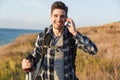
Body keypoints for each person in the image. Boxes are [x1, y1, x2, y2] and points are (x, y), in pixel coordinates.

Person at [22, 1, 98, 80]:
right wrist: (28, 64)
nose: (58, 19)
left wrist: (75, 33)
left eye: (62, 16)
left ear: (66, 19)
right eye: (55, 15)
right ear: (51, 17)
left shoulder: (71, 36)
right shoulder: (43, 37)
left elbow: (93, 50)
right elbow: (35, 58)